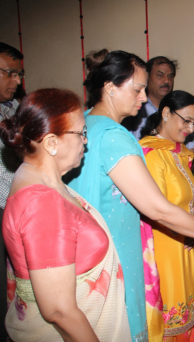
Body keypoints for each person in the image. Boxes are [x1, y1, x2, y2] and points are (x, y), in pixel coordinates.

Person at [66, 51, 194, 342]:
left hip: (90, 253)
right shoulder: (116, 137)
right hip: (116, 254)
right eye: (137, 89)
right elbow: (158, 209)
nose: (143, 98)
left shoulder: (88, 123)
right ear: (110, 87)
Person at [0, 88, 130, 341]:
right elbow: (59, 310)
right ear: (51, 142)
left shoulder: (39, 180)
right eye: (81, 133)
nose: (86, 141)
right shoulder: (42, 203)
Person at [138, 90, 194, 341]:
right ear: (165, 113)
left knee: (187, 314)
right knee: (169, 318)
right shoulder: (151, 154)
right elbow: (157, 210)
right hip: (164, 247)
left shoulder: (179, 153)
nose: (190, 127)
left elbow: (188, 198)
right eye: (186, 120)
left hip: (185, 244)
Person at [123, 56, 194, 169]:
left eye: (170, 76)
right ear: (147, 78)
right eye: (160, 75)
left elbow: (191, 151)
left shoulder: (181, 109)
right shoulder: (135, 110)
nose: (166, 81)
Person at [0, 41, 23, 340]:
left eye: (20, 74)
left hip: (14, 205)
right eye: (10, 73)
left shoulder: (15, 108)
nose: (18, 81)